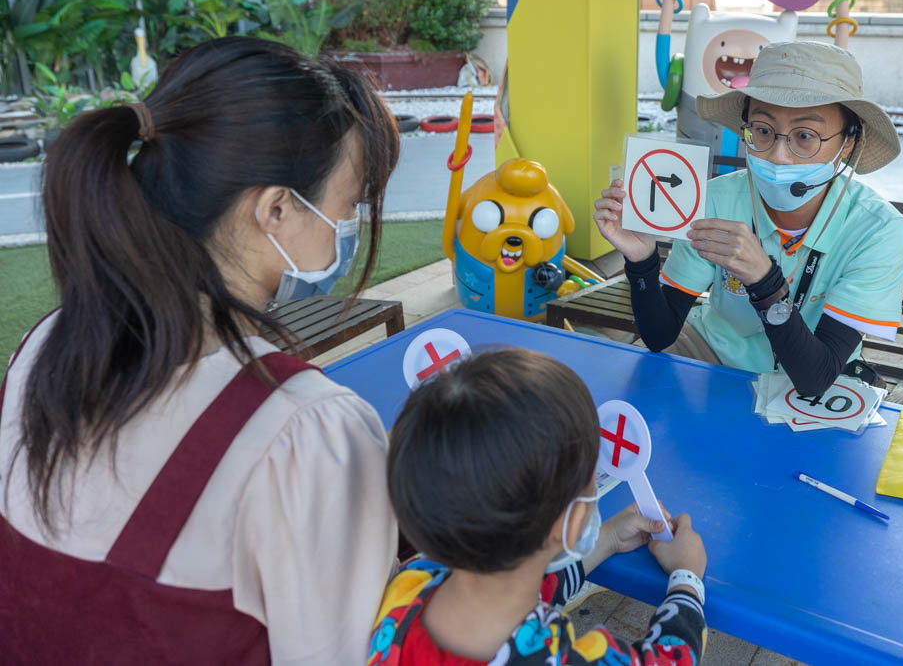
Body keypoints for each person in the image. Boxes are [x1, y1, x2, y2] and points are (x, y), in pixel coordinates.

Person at [0, 38, 401, 663]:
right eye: (349, 205)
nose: (349, 226)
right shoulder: (305, 430)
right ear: (275, 209)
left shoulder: (44, 344)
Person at [594, 40, 903, 398]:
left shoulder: (877, 230)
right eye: (762, 130)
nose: (778, 156)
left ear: (849, 142)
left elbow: (815, 378)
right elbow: (660, 335)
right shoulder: (717, 199)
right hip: (712, 351)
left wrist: (764, 280)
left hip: (817, 370)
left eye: (804, 136)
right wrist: (642, 260)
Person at [370, 349, 708, 665]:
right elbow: (668, 658)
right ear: (572, 517)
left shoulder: (411, 582)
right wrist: (687, 578)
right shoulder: (549, 658)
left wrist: (609, 539)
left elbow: (527, 581)